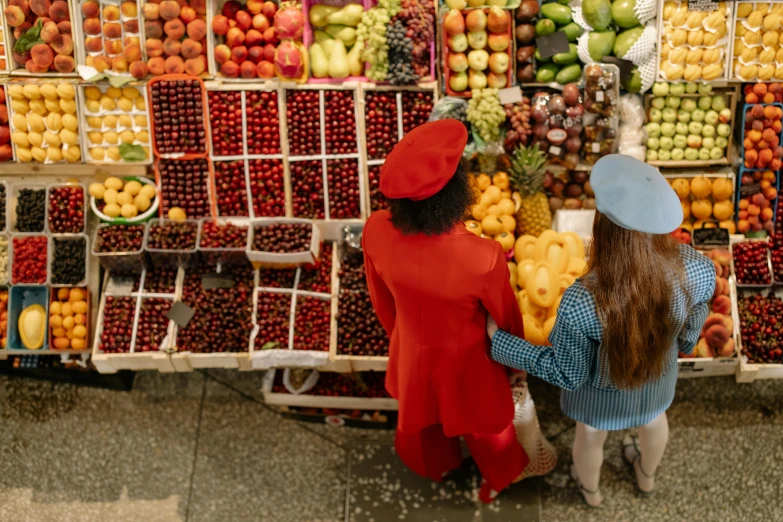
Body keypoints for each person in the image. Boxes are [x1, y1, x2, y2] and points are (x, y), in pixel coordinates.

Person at [487, 155, 715, 507]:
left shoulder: (582, 300)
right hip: (658, 381)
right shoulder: (699, 269)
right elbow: (688, 338)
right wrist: (680, 342)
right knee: (655, 424)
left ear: (603, 229)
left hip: (600, 397)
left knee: (591, 437)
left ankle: (591, 493)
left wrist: (500, 344)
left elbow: (567, 373)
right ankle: (646, 476)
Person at [362, 119, 528, 503]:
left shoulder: (375, 229)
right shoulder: (482, 256)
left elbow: (380, 300)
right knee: (487, 428)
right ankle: (497, 478)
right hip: (468, 361)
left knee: (421, 424)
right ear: (457, 192)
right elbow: (506, 320)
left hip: (411, 351)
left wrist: (403, 336)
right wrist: (516, 365)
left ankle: (434, 466)